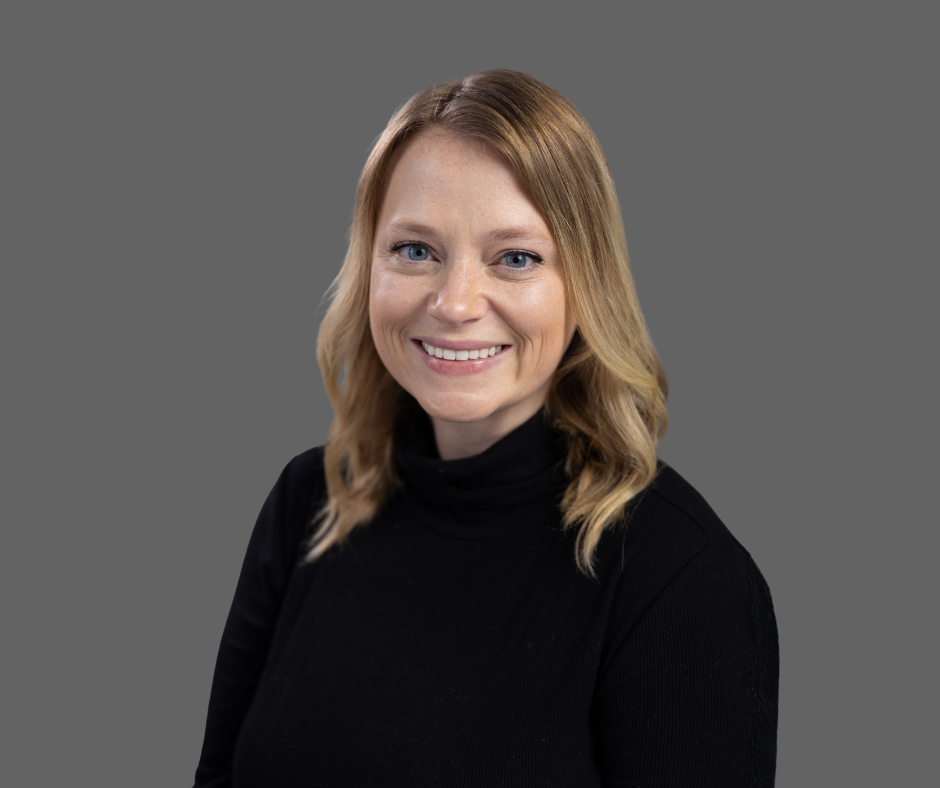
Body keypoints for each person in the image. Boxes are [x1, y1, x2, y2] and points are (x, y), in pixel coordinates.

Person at [192, 69, 779, 787]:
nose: (456, 303)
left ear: (586, 282)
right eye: (415, 249)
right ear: (368, 265)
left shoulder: (680, 580)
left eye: (516, 258)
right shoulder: (309, 503)